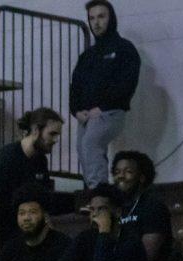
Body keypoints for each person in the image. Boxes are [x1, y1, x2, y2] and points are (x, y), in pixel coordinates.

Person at [69, 0, 140, 189]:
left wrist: (102, 107)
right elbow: (75, 86)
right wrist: (76, 111)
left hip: (111, 111)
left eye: (101, 16)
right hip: (86, 115)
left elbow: (127, 84)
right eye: (92, 18)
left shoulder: (124, 49)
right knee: (82, 147)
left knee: (91, 143)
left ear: (111, 18)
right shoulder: (87, 56)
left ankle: (99, 194)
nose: (96, 22)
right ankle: (93, 190)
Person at [0, 108, 61, 261]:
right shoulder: (7, 157)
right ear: (35, 130)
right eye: (52, 134)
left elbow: (43, 203)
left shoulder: (40, 161)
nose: (55, 140)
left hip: (17, 228)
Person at [112, 151, 171, 261]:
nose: (120, 176)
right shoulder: (118, 208)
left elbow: (147, 257)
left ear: (142, 177)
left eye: (128, 171)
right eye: (116, 172)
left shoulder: (153, 206)